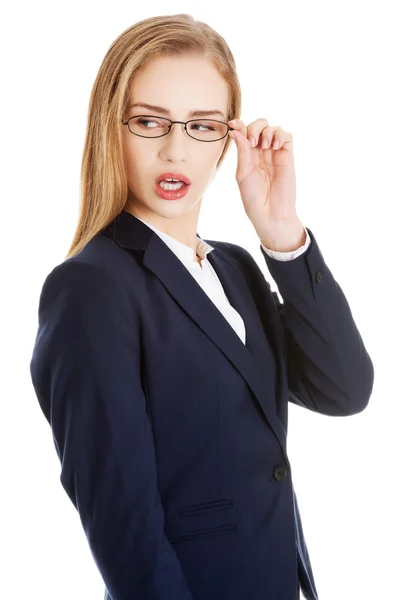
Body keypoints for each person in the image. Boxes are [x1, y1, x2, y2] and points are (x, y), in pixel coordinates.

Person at [29, 13, 374, 600]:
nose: (174, 149)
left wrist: (283, 235)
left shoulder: (236, 268)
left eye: (202, 125)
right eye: (148, 121)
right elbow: (123, 524)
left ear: (227, 139)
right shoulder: (91, 288)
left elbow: (344, 388)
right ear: (111, 127)